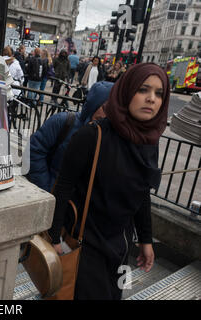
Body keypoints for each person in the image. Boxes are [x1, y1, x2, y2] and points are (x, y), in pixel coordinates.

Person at [49, 63, 170, 300]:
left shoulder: (148, 143)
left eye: (159, 93)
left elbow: (142, 193)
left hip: (121, 245)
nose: (151, 99)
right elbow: (63, 187)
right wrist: (54, 238)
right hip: (87, 244)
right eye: (143, 90)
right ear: (126, 91)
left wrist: (145, 239)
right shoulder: (91, 136)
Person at [27, 81, 113, 192]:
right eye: (105, 109)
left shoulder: (110, 136)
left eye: (112, 111)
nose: (106, 116)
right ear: (93, 104)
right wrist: (46, 188)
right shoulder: (63, 121)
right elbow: (34, 151)